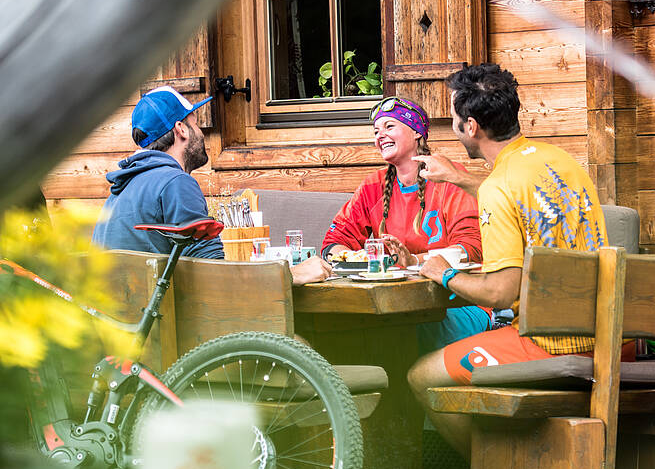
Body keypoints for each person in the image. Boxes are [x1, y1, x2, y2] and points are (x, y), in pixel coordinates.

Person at [408, 63, 631, 459]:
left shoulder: (498, 187)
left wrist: (444, 273)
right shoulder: (561, 162)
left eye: (455, 119)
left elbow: (498, 292)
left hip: (557, 344)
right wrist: (460, 177)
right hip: (614, 335)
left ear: (472, 127)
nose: (454, 126)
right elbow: (522, 202)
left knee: (422, 375)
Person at [92, 86, 330, 285]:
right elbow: (213, 277)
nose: (201, 133)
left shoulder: (122, 187)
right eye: (196, 125)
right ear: (181, 129)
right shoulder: (175, 183)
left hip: (128, 331)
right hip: (167, 334)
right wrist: (291, 274)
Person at [320, 96, 492, 349]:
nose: (380, 135)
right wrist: (354, 258)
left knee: (395, 335)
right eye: (376, 131)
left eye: (390, 127)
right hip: (394, 306)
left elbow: (471, 250)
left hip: (460, 303)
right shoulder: (372, 186)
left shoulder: (449, 176)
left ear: (417, 134)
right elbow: (334, 242)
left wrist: (414, 261)